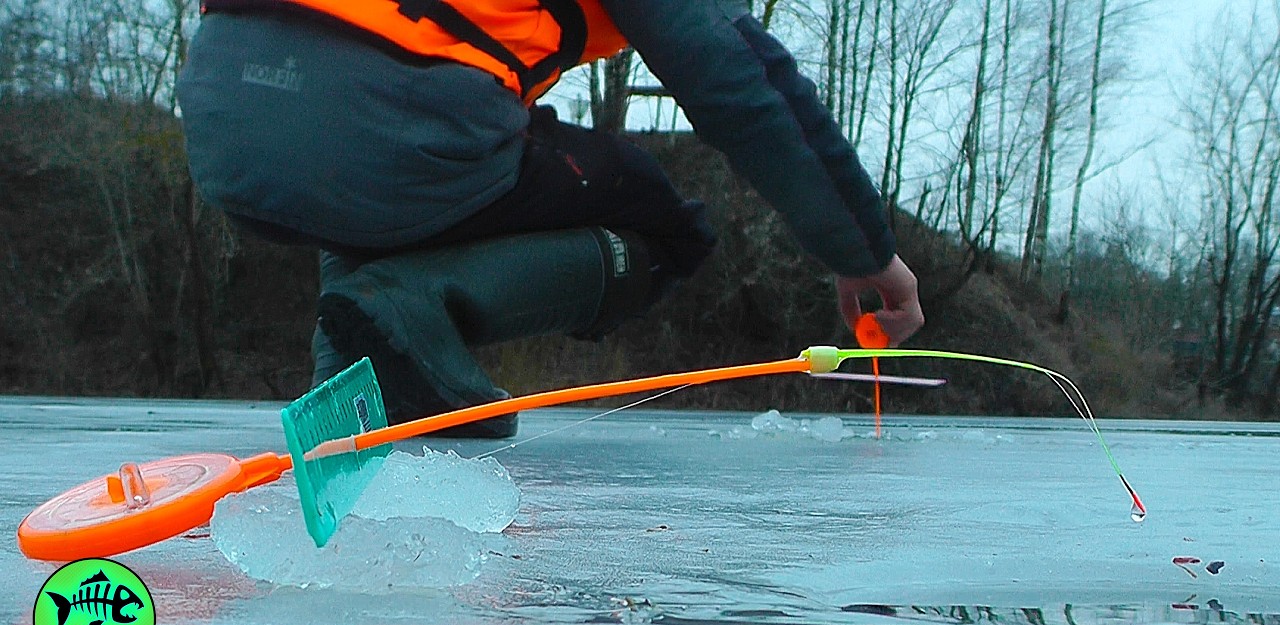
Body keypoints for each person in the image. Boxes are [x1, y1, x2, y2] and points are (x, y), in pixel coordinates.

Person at [176, 0, 924, 437]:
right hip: (387, 123)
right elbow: (743, 81)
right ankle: (412, 310)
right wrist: (862, 251)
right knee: (661, 220)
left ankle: (348, 400)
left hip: (225, 123)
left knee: (401, 153)